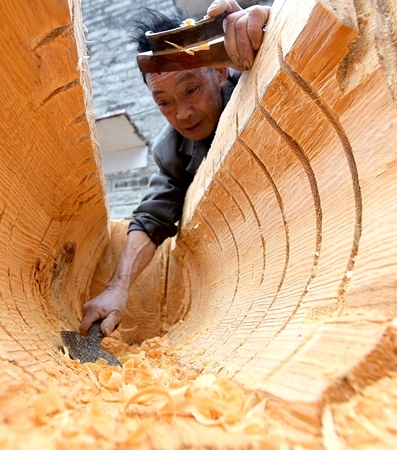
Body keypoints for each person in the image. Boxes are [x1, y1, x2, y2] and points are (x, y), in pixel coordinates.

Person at [80, 0, 271, 336]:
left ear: (219, 71)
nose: (182, 113)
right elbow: (152, 217)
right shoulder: (172, 150)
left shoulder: (256, 74)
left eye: (191, 89)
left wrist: (269, 24)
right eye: (164, 102)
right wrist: (117, 289)